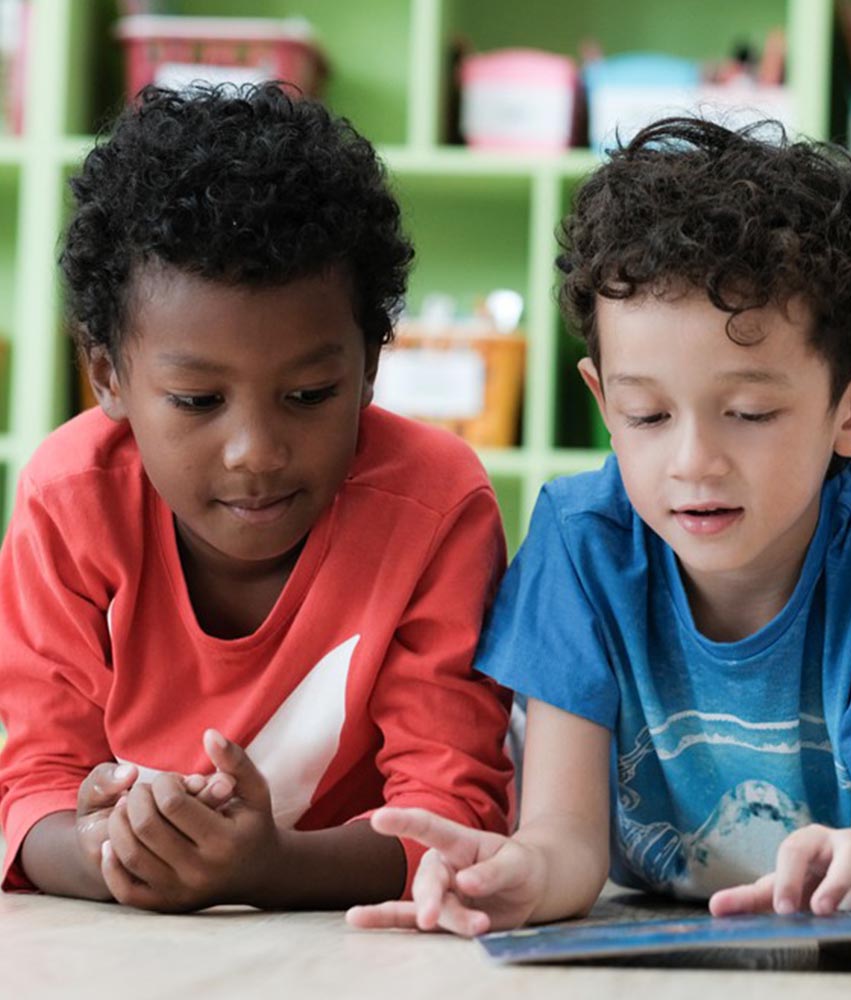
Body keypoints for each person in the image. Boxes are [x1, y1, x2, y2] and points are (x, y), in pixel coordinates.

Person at [347, 117, 851, 937]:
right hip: (684, 930)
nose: (694, 461)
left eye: (750, 412)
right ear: (602, 401)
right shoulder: (579, 539)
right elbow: (565, 842)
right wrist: (519, 873)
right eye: (647, 414)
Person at [0, 83, 513, 912]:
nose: (257, 452)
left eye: (310, 393)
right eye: (199, 402)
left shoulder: (437, 508)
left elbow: (455, 818)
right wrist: (112, 852)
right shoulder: (69, 503)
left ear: (371, 367)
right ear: (107, 377)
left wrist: (268, 868)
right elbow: (36, 790)